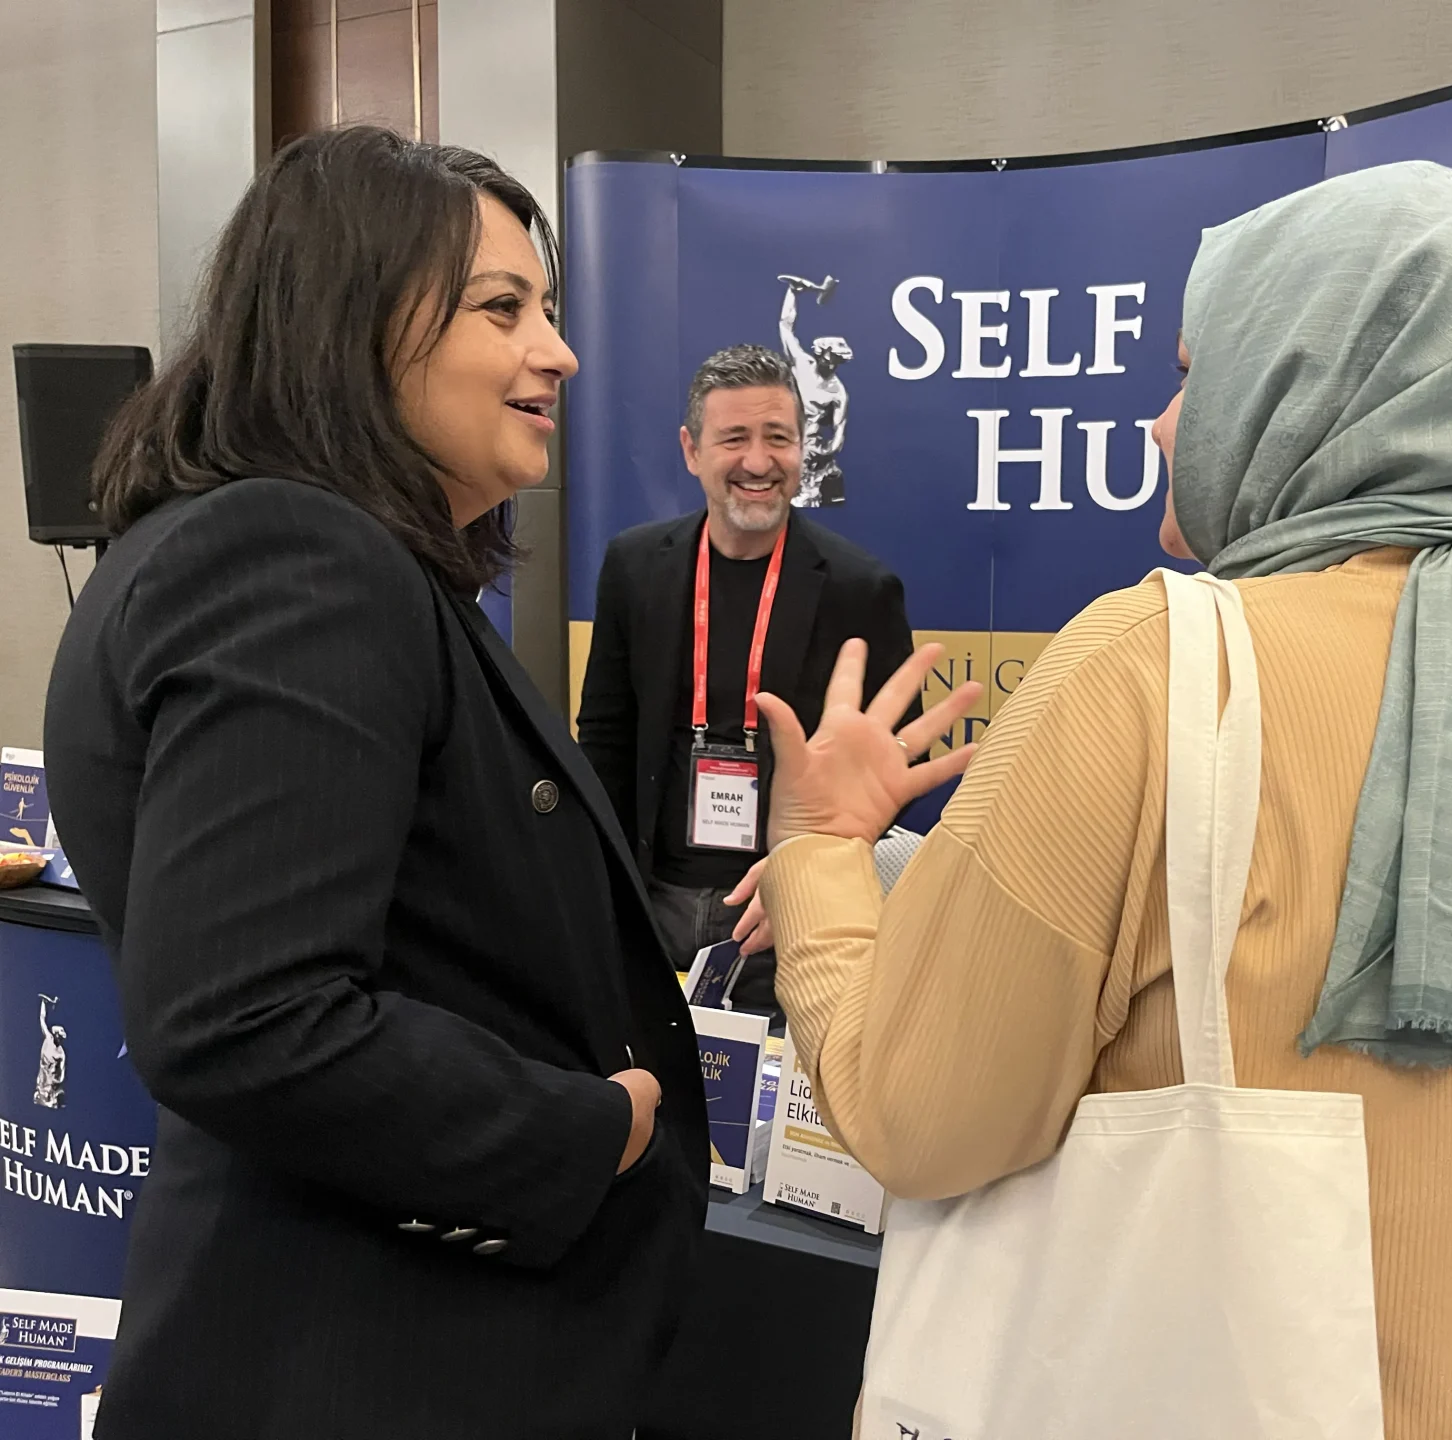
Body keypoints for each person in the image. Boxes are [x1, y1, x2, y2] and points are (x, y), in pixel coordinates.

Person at [740, 162, 1452, 1438]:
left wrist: (823, 848)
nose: (1162, 426)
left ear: (1316, 380)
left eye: (1194, 375)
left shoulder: (1157, 666)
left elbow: (915, 1119)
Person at [44, 127, 705, 1440]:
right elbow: (246, 1017)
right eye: (503, 309)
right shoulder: (295, 556)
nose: (558, 352)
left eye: (550, 310)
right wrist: (590, 1132)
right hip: (366, 1368)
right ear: (355, 323)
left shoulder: (313, 558)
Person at [575, 343, 915, 1012]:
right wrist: (608, 889)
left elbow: (892, 771)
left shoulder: (861, 589)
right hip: (649, 907)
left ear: (802, 449)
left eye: (778, 438)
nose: (758, 462)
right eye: (734, 438)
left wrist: (805, 881)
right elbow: (605, 739)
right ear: (691, 450)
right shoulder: (634, 567)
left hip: (785, 918)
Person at [776, 276, 853, 506]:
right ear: (820, 353)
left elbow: (838, 433)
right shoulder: (802, 363)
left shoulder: (838, 393)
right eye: (830, 357)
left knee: (803, 504)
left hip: (807, 450)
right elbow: (785, 325)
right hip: (779, 439)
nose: (832, 363)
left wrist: (823, 453)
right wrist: (793, 293)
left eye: (837, 360)